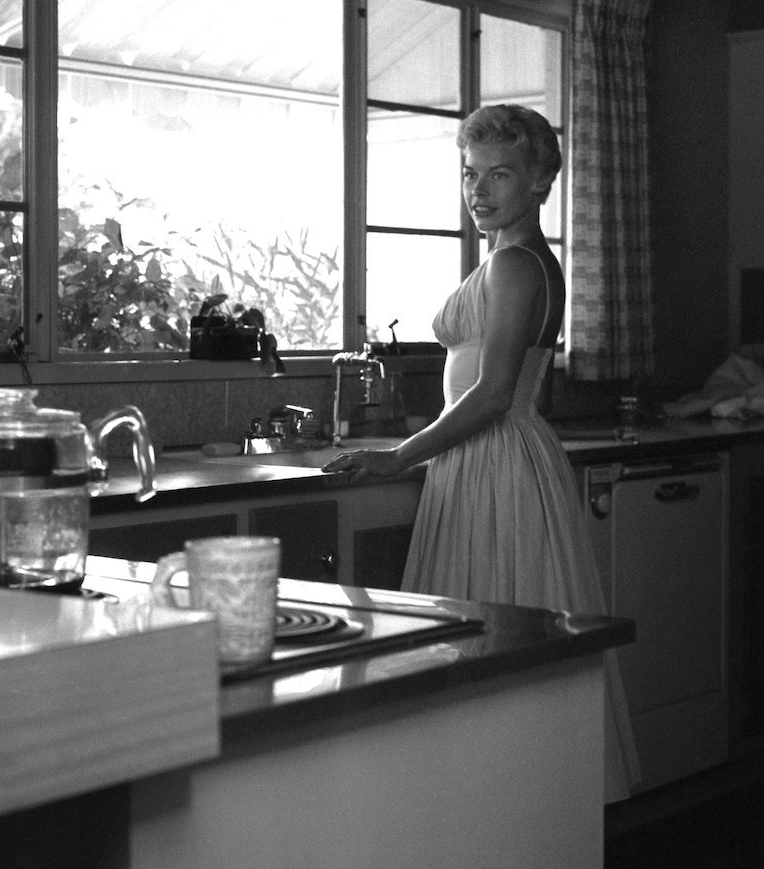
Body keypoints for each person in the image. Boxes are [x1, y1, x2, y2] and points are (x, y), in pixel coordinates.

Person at [322, 104, 640, 801]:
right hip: (495, 459)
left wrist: (397, 456)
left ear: (539, 184)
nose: (479, 189)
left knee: (495, 632)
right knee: (507, 629)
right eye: (471, 173)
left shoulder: (517, 266)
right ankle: (507, 804)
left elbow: (494, 393)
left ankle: (496, 801)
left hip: (494, 457)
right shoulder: (514, 259)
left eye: (500, 174)